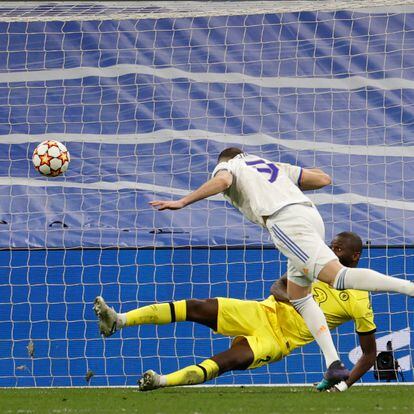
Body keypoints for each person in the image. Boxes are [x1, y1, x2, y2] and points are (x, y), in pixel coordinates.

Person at [149, 148, 413, 383]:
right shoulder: (272, 167)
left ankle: (409, 287)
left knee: (338, 277)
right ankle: (333, 364)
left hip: (284, 221)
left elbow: (222, 181)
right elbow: (322, 179)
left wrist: (183, 201)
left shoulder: (230, 164)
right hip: (309, 216)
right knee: (301, 297)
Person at [93, 231, 377, 392]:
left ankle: (161, 381)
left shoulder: (359, 298)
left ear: (354, 257)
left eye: (337, 247)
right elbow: (279, 285)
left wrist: (345, 384)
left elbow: (369, 353)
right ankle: (118, 320)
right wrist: (295, 301)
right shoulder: (317, 265)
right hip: (261, 311)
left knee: (228, 360)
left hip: (279, 340)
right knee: (197, 306)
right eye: (331, 244)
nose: (330, 248)